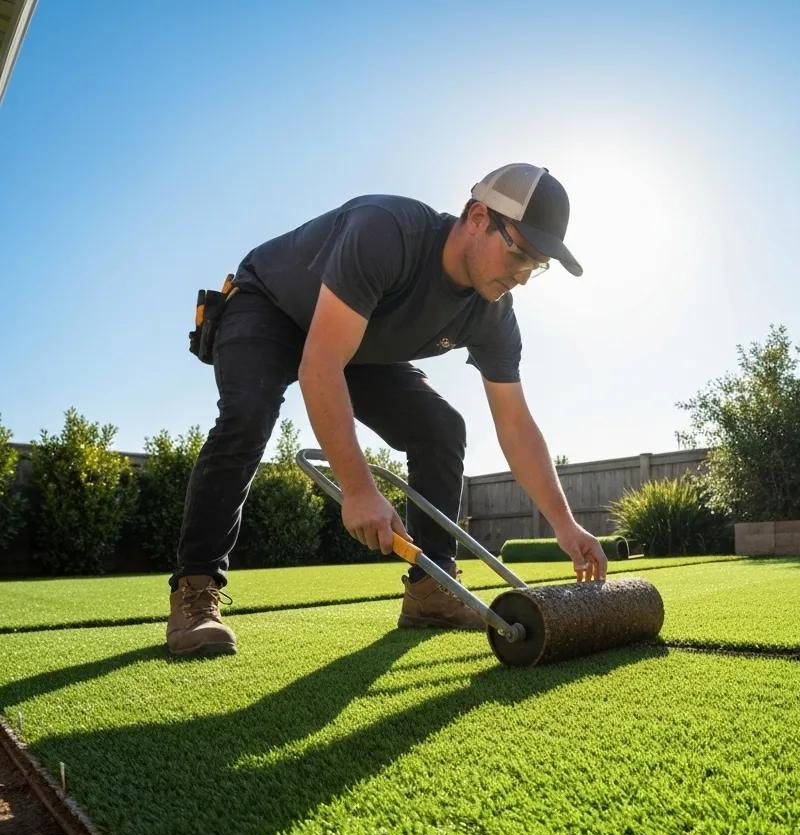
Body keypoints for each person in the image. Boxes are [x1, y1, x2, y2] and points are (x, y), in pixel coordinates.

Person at [167, 163, 609, 656]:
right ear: (479, 217)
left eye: (538, 264)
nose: (524, 276)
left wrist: (565, 526)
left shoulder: (494, 313)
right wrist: (358, 489)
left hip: (355, 342)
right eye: (520, 253)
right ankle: (195, 588)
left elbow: (515, 424)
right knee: (247, 417)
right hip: (271, 306)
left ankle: (430, 591)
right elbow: (320, 366)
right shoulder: (387, 232)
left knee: (441, 427)